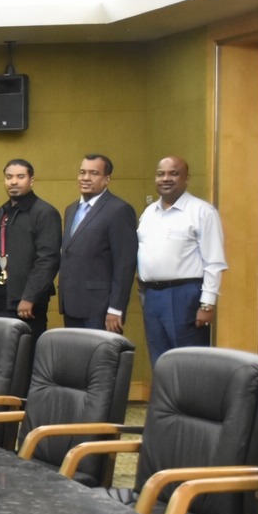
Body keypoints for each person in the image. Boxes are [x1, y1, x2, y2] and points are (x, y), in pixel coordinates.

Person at [137, 155, 226, 365]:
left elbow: (214, 262)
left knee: (188, 362)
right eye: (161, 174)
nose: (166, 179)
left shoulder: (202, 212)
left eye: (173, 173)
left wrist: (207, 305)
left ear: (186, 178)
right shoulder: (149, 213)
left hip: (184, 295)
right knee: (160, 361)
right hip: (152, 297)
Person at [0, 159, 61, 343]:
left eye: (20, 177)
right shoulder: (1, 212)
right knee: (0, 356)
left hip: (27, 304)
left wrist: (30, 297)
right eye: (9, 177)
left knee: (25, 356)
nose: (13, 181)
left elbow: (48, 260)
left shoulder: (45, 213)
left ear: (31, 180)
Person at [58, 154, 137, 332]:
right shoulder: (71, 209)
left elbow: (124, 264)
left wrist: (116, 308)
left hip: (100, 307)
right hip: (71, 302)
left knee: (100, 350)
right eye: (82, 172)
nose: (85, 178)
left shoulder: (119, 210)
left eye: (94, 173)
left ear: (107, 179)